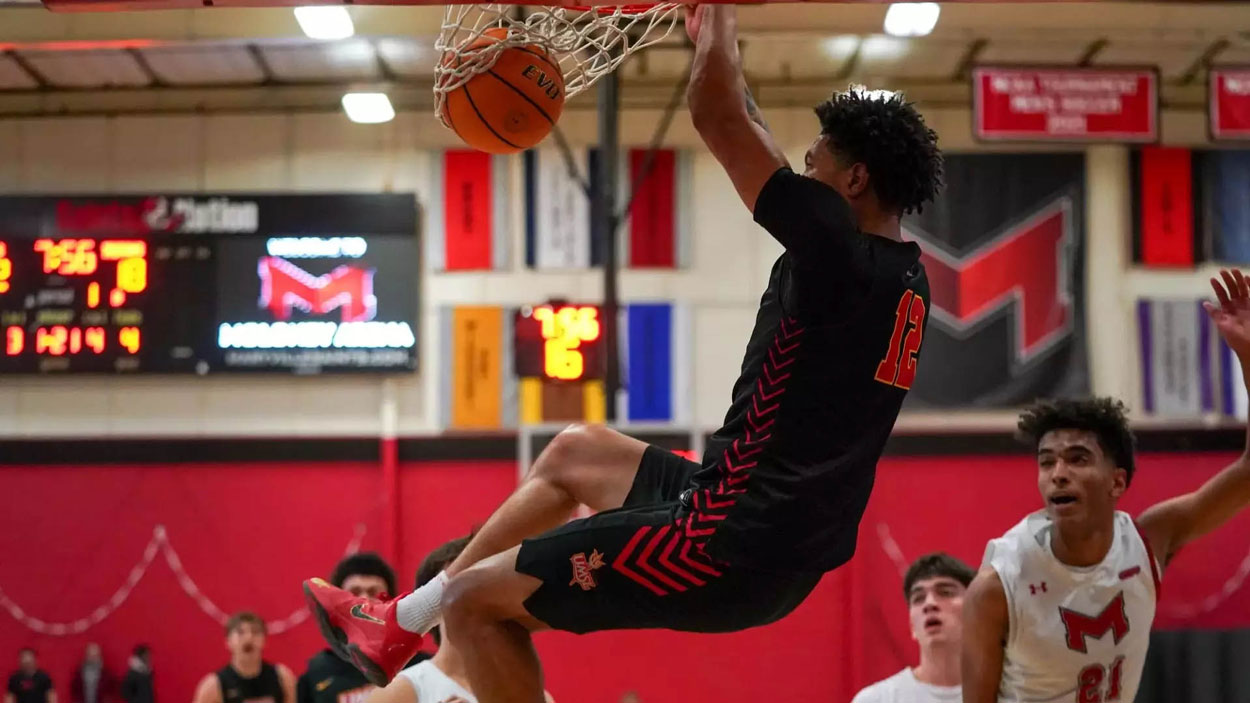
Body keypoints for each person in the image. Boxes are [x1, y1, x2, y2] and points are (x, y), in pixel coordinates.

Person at [303, 3, 944, 700]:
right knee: (577, 450)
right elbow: (750, 125)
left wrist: (718, 14)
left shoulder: (835, 252)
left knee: (476, 607)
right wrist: (707, 37)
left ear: (854, 182)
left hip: (728, 544)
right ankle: (398, 624)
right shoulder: (898, 272)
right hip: (754, 521)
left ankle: (416, 616)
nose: (805, 163)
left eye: (819, 156)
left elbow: (718, 115)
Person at [961, 269, 1250, 703]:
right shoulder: (997, 586)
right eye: (1047, 462)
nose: (1058, 472)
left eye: (1077, 459)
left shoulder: (1149, 541)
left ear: (1117, 483)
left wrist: (1249, 358)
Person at [364, 537, 553, 703]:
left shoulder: (535, 695)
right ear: (433, 600)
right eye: (464, 583)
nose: (477, 593)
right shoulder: (400, 691)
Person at [298, 553, 427, 703]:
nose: (364, 600)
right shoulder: (318, 670)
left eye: (373, 592)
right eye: (354, 592)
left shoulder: (421, 666)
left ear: (391, 601)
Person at [852, 553, 973, 703]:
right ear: (912, 625)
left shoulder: (1005, 695)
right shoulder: (876, 699)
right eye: (918, 598)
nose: (929, 604)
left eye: (945, 592)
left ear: (975, 613)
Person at [193, 613, 296, 703]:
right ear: (228, 641)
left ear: (264, 640)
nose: (249, 638)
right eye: (240, 632)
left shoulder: (282, 677)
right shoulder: (214, 685)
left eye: (255, 632)